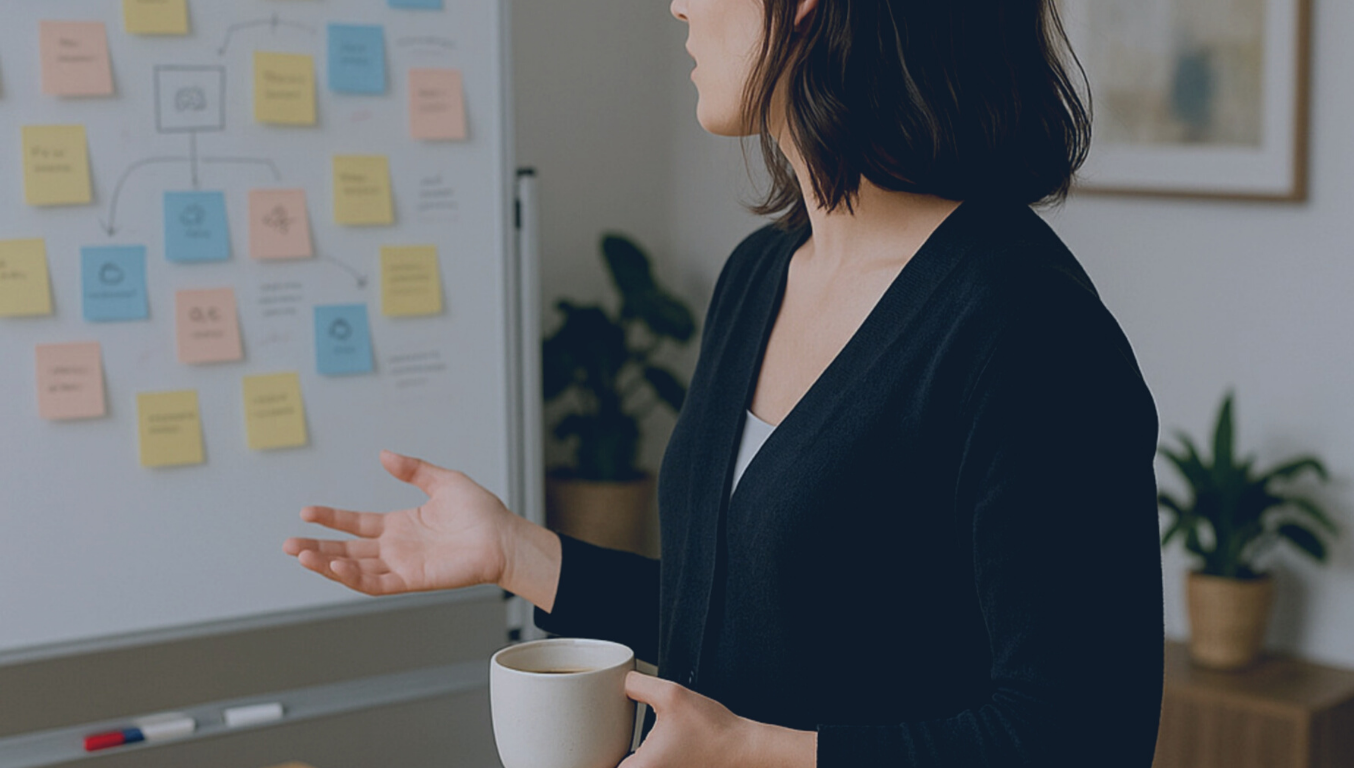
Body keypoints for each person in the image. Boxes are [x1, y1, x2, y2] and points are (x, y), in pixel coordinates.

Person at [284, 0, 1166, 765]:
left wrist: (761, 756)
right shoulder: (761, 276)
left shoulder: (1024, 330)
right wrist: (517, 552)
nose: (675, 8)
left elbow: (1082, 739)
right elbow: (746, 621)